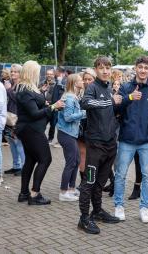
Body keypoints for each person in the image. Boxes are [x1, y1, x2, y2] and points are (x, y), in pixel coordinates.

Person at [113, 55, 148, 223]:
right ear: (135, 68)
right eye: (140, 67)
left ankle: (144, 207)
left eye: (146, 68)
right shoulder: (125, 87)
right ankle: (119, 205)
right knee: (120, 174)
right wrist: (129, 98)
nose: (143, 70)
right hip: (126, 139)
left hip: (146, 140)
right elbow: (115, 107)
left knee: (147, 175)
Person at [78, 57, 121, 234]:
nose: (105, 71)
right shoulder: (92, 87)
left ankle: (97, 211)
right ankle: (83, 218)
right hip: (95, 146)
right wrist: (111, 101)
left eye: (108, 68)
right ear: (96, 69)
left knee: (101, 182)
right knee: (89, 181)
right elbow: (85, 103)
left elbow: (111, 112)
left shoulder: (109, 88)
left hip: (110, 145)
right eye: (101, 68)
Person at [15, 61, 65, 204]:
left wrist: (48, 105)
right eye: (37, 71)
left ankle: (24, 193)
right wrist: (53, 106)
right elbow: (34, 114)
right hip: (32, 130)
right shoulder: (25, 90)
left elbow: (36, 107)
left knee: (30, 160)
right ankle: (34, 194)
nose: (40, 74)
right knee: (45, 159)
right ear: (32, 73)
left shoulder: (27, 89)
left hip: (30, 130)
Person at [57, 73, 86, 202]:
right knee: (71, 162)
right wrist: (84, 113)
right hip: (66, 134)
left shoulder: (73, 96)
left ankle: (71, 189)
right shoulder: (69, 98)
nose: (83, 82)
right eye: (81, 80)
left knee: (76, 160)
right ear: (74, 83)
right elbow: (68, 117)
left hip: (70, 134)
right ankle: (63, 192)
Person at [4, 64, 25, 176]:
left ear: (20, 73)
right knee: (11, 143)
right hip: (9, 118)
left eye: (16, 72)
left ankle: (24, 167)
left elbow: (19, 100)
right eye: (12, 71)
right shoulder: (11, 84)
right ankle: (16, 166)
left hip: (17, 118)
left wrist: (8, 90)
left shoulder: (22, 86)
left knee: (19, 143)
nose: (13, 73)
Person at [77, 68, 96, 184]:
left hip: (94, 130)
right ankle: (84, 182)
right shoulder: (79, 93)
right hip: (81, 129)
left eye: (90, 79)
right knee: (82, 156)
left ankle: (111, 180)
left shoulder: (97, 93)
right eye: (85, 79)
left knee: (93, 159)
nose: (87, 81)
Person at [48, 66, 66, 147]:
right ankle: (50, 139)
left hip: (60, 106)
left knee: (59, 124)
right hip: (53, 105)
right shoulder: (55, 80)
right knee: (52, 123)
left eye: (55, 71)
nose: (54, 72)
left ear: (59, 72)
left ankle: (60, 142)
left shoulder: (64, 81)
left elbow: (64, 91)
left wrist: (60, 83)